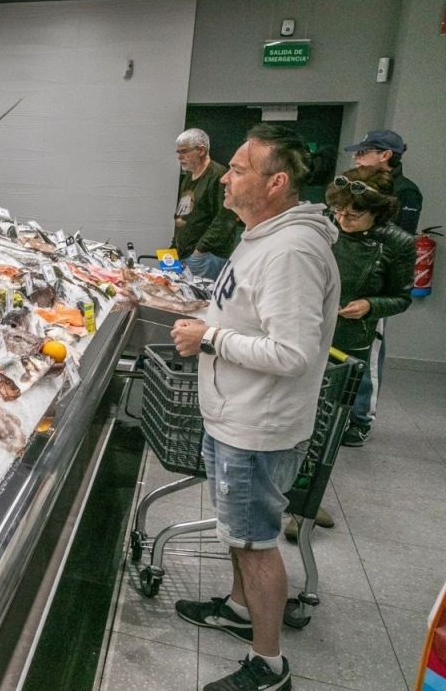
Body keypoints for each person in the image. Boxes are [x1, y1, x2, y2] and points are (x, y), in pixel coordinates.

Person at [171, 124, 339, 691]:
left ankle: (268, 666)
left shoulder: (292, 249)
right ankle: (239, 610)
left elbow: (292, 352)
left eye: (240, 168)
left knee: (255, 541)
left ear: (277, 181)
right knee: (239, 532)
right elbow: (248, 313)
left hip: (258, 426)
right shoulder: (260, 235)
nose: (227, 176)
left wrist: (209, 339)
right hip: (236, 412)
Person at [324, 166, 414, 446]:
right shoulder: (326, 225)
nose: (342, 219)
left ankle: (361, 421)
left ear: (377, 211)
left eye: (353, 215)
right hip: (321, 315)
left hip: (360, 323)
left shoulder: (398, 242)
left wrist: (370, 305)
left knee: (362, 374)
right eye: (338, 211)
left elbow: (402, 297)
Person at [171, 128, 235, 279]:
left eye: (184, 151)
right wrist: (174, 247)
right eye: (178, 152)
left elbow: (225, 219)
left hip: (205, 257)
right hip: (184, 254)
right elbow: (183, 213)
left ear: (200, 150)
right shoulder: (189, 176)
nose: (180, 157)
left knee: (199, 300)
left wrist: (199, 250)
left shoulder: (218, 176)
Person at [344, 129, 422, 234]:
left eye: (362, 152)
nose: (355, 156)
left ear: (385, 155)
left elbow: (402, 239)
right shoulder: (357, 182)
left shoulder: (406, 191)